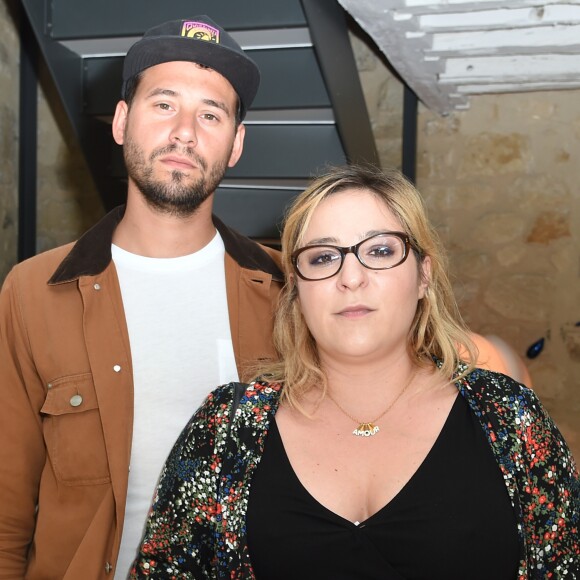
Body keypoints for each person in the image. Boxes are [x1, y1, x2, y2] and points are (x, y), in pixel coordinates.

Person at [130, 165, 579, 579]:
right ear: (297, 288)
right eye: (323, 257)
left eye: (380, 250)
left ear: (424, 276)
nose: (350, 277)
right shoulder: (226, 428)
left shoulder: (507, 415)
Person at [0, 16, 283, 579]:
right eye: (164, 105)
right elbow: (5, 512)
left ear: (236, 144)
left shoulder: (288, 288)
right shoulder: (33, 291)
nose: (185, 132)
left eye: (211, 114)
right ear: (123, 121)